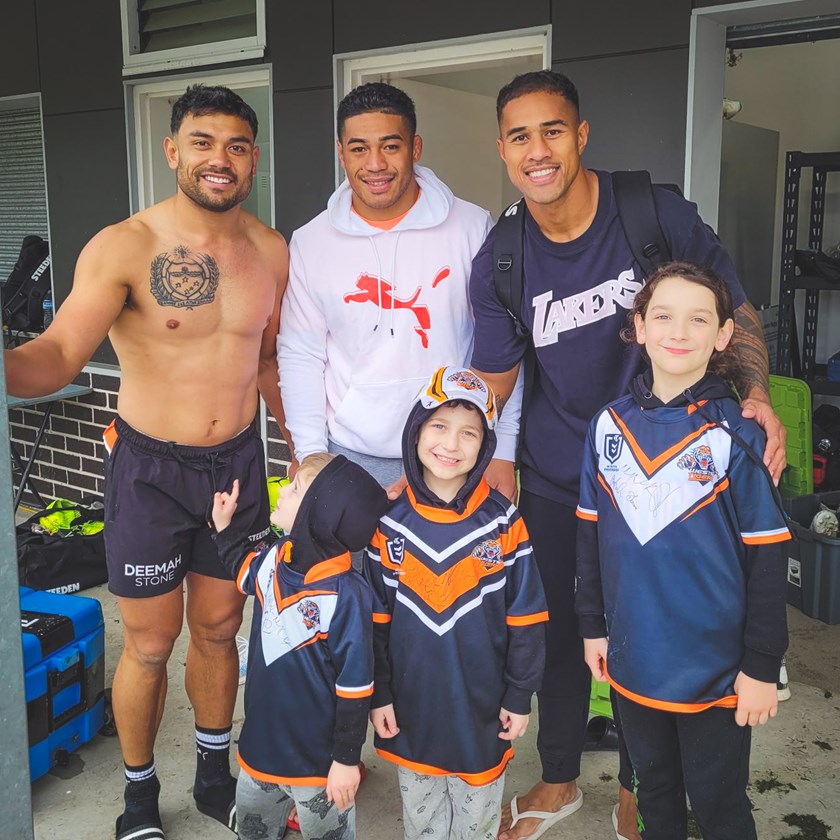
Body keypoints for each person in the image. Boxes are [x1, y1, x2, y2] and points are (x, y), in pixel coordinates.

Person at [467, 71, 787, 840]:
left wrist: (759, 396)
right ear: (502, 149)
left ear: (580, 136)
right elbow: (496, 377)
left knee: (667, 623)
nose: (537, 151)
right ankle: (558, 778)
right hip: (564, 469)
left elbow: (731, 306)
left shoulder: (651, 212)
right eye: (519, 136)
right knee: (565, 632)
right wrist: (451, 458)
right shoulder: (503, 256)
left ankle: (646, 786)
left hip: (679, 469)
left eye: (552, 131)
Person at [4, 85, 289, 840]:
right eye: (202, 142)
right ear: (173, 151)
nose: (218, 159)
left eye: (235, 144)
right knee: (152, 642)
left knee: (222, 629)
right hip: (150, 471)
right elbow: (60, 354)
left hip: (236, 464)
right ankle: (137, 793)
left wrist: (309, 453)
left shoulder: (271, 251)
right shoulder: (125, 244)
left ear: (253, 157)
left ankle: (210, 775)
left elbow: (267, 364)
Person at [576, 261, 790, 839]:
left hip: (715, 671)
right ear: (639, 326)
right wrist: (593, 627)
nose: (679, 330)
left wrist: (762, 666)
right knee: (655, 792)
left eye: (699, 319)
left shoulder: (737, 436)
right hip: (633, 659)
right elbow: (589, 539)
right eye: (663, 315)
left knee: (720, 804)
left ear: (722, 336)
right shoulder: (607, 428)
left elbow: (768, 559)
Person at [278, 82, 519, 496]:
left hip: (452, 455)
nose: (375, 164)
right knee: (346, 565)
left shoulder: (472, 226)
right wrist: (311, 449)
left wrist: (504, 448)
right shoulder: (310, 241)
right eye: (358, 149)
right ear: (341, 152)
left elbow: (502, 343)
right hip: (348, 456)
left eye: (391, 146)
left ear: (415, 148)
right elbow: (301, 353)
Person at [366, 367, 548, 840]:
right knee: (423, 823)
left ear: (486, 445)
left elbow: (527, 617)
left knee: (476, 825)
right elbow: (374, 623)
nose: (451, 444)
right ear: (416, 432)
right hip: (411, 710)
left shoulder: (504, 522)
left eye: (469, 433)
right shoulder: (388, 525)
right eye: (439, 427)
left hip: (483, 712)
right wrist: (379, 694)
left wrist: (518, 694)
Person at [210, 452, 389, 840]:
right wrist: (224, 530)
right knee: (253, 832)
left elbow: (356, 688)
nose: (283, 492)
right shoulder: (276, 559)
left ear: (316, 516)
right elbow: (243, 570)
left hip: (318, 766)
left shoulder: (347, 595)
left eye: (294, 489)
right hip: (259, 752)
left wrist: (345, 760)